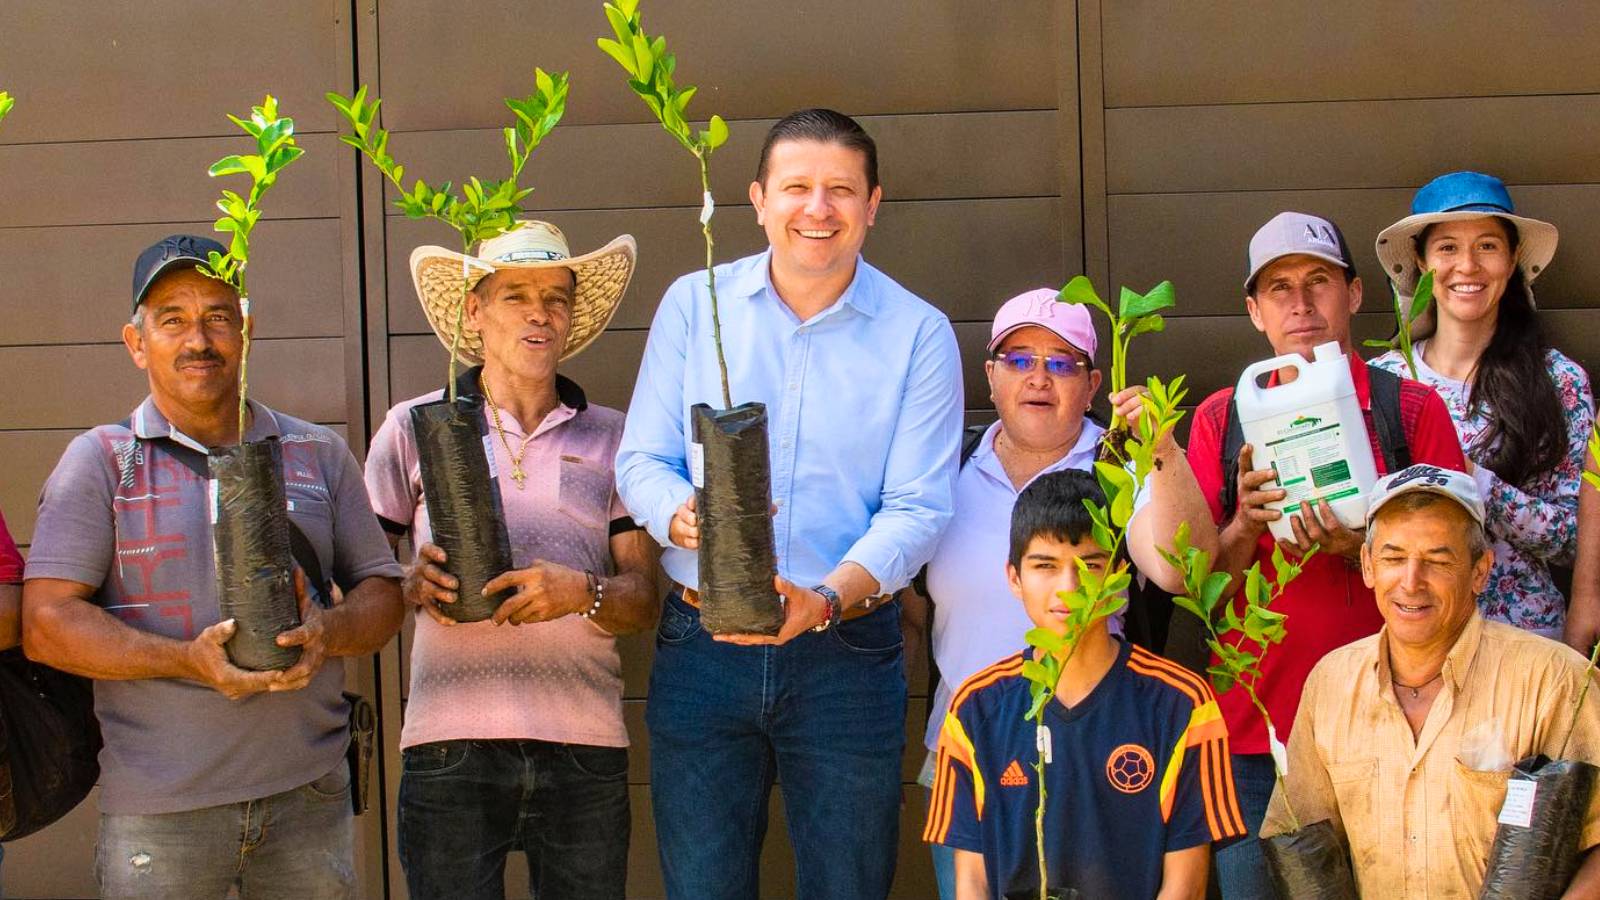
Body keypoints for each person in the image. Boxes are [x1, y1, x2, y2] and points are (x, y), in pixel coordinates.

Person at [615, 108, 964, 899]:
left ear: (873, 204)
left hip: (847, 649)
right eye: (797, 187)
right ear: (758, 199)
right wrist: (680, 516)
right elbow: (641, 458)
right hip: (702, 641)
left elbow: (918, 508)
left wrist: (829, 598)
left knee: (849, 885)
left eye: (840, 189)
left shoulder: (918, 333)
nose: (818, 208)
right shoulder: (691, 306)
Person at [21, 234, 405, 899]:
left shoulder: (317, 452)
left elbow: (384, 597)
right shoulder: (101, 462)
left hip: (308, 799)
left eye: (218, 316)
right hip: (160, 815)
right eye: (172, 319)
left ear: (246, 332)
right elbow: (47, 624)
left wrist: (326, 633)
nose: (198, 338)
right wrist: (184, 660)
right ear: (136, 343)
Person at [366, 221, 658, 900]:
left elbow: (644, 598)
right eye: (516, 295)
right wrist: (407, 582)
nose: (539, 313)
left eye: (556, 298)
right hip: (449, 744)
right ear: (475, 310)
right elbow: (359, 581)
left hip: (585, 746)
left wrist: (582, 593)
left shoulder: (616, 436)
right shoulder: (414, 427)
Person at [1184, 212, 1467, 898]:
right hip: (1253, 738)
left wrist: (1365, 545)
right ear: (1254, 310)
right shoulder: (1223, 419)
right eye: (1278, 288)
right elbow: (1195, 585)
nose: (1301, 303)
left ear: (1355, 293)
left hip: (1395, 726)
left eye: (1318, 281)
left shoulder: (1411, 410)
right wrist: (1246, 526)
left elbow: (1460, 565)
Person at [901, 288, 1218, 898]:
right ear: (991, 377)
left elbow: (1185, 571)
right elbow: (914, 603)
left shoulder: (1120, 464)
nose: (1038, 378)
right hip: (969, 748)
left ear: (1093, 382)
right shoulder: (945, 464)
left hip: (1103, 750)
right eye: (1019, 360)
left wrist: (1163, 452)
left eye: (1062, 362)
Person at [1262, 464, 1600, 896]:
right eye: (1393, 557)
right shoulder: (1331, 683)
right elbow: (1300, 839)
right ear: (1367, 566)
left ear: (1481, 570)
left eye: (1437, 560)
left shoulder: (1554, 679)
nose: (1411, 581)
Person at [924, 469, 1243, 899]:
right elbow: (972, 882)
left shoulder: (1180, 702)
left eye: (1090, 565)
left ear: (1119, 577)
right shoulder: (974, 707)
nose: (1069, 588)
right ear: (1014, 578)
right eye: (1045, 566)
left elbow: (1185, 884)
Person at [1371, 171, 1594, 647]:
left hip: (1523, 643)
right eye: (1448, 247)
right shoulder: (1383, 380)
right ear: (1421, 260)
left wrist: (1472, 477)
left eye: (1488, 246)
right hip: (1407, 645)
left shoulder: (1559, 381)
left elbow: (1575, 538)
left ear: (1512, 260)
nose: (1467, 266)